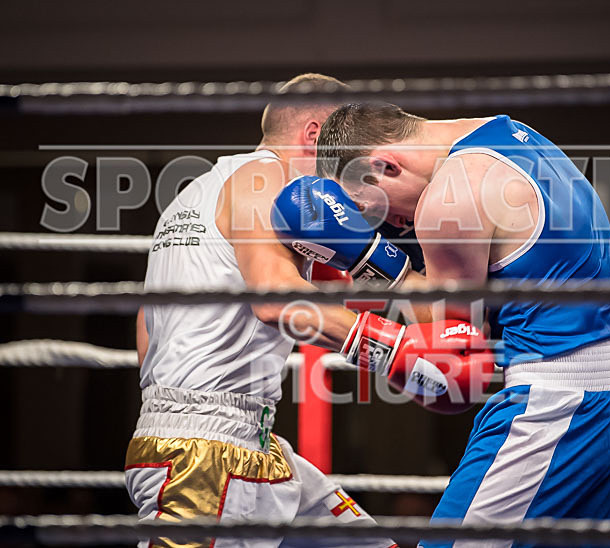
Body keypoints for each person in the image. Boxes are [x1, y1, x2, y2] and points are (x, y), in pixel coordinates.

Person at [126, 72, 492, 548]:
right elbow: (275, 298)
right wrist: (394, 348)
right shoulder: (266, 178)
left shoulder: (190, 197)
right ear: (315, 134)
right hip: (206, 455)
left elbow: (147, 327)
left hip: (233, 437)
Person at [285, 104, 610, 545]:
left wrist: (368, 256)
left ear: (383, 165)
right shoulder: (508, 132)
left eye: (368, 204)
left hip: (557, 404)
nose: (386, 221)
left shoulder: (448, 199)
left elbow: (454, 344)